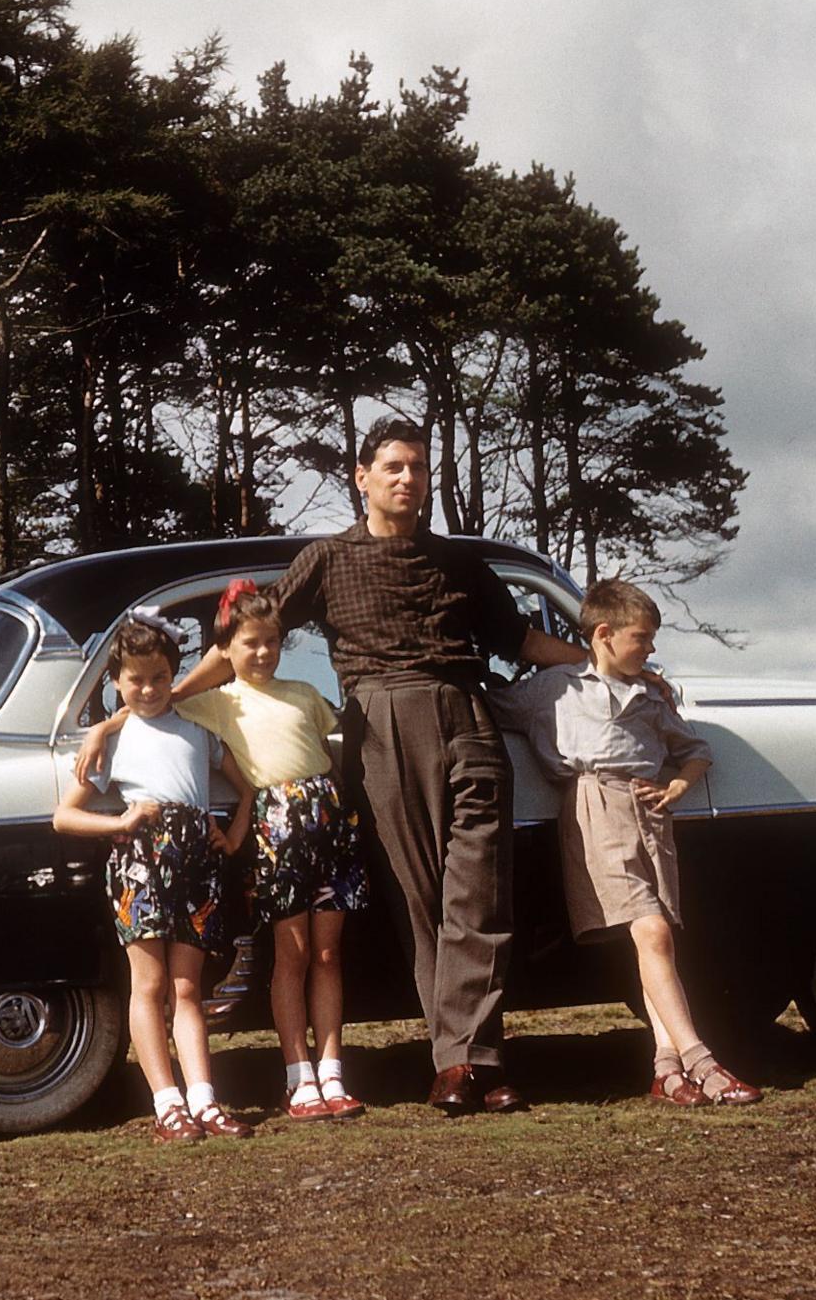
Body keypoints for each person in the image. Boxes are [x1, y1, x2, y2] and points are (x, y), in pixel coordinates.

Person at [174, 417, 587, 1114]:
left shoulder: (460, 562)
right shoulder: (330, 558)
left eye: (418, 469)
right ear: (362, 478)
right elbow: (252, 632)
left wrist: (609, 662)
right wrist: (160, 699)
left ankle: (468, 1061)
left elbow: (520, 640)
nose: (408, 479)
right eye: (393, 466)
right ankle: (466, 1064)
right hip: (380, 721)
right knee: (423, 899)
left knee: (480, 895)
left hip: (469, 711)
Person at [83, 581, 371, 1121]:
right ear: (225, 650)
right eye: (248, 643)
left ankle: (332, 1071)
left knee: (329, 954)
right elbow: (156, 697)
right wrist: (103, 726)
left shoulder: (305, 694)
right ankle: (298, 1078)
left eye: (272, 642)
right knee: (293, 954)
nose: (262, 653)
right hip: (277, 829)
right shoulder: (215, 704)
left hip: (328, 823)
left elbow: (330, 757)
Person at [489, 578, 762, 1106]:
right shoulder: (554, 688)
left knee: (654, 941)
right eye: (642, 637)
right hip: (594, 810)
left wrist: (678, 785)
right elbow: (490, 703)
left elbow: (695, 749)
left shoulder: (650, 696)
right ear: (604, 634)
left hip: (650, 817)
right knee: (652, 931)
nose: (651, 648)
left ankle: (667, 1070)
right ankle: (702, 1061)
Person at [53, 611, 258, 1142]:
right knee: (149, 984)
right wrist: (120, 821)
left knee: (188, 987)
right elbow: (63, 816)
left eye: (159, 678)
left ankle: (205, 1101)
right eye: (135, 680)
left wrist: (233, 834)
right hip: (140, 866)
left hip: (197, 866)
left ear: (173, 675)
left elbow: (246, 788)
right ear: (117, 681)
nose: (148, 689)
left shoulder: (198, 729)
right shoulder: (111, 742)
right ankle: (167, 1105)